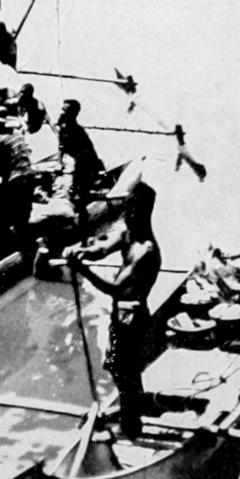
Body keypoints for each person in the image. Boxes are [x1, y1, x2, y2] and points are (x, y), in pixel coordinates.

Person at [65, 181, 161, 438]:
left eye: (134, 210)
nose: (128, 214)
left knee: (124, 371)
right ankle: (134, 411)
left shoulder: (147, 250)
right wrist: (81, 251)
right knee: (123, 370)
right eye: (128, 208)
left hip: (134, 317)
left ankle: (131, 425)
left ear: (145, 212)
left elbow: (117, 289)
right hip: (121, 315)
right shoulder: (127, 234)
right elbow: (101, 249)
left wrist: (82, 270)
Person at [57, 99, 105, 238]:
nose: (62, 112)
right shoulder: (64, 126)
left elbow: (88, 154)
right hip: (78, 162)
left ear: (72, 113)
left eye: (65, 110)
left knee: (79, 197)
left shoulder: (77, 131)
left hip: (85, 164)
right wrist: (59, 162)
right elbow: (61, 146)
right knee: (74, 194)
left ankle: (83, 232)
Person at [0, 110, 35, 244]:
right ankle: (22, 242)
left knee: (3, 213)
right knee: (23, 214)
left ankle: (2, 242)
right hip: (29, 176)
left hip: (16, 179)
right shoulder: (17, 134)